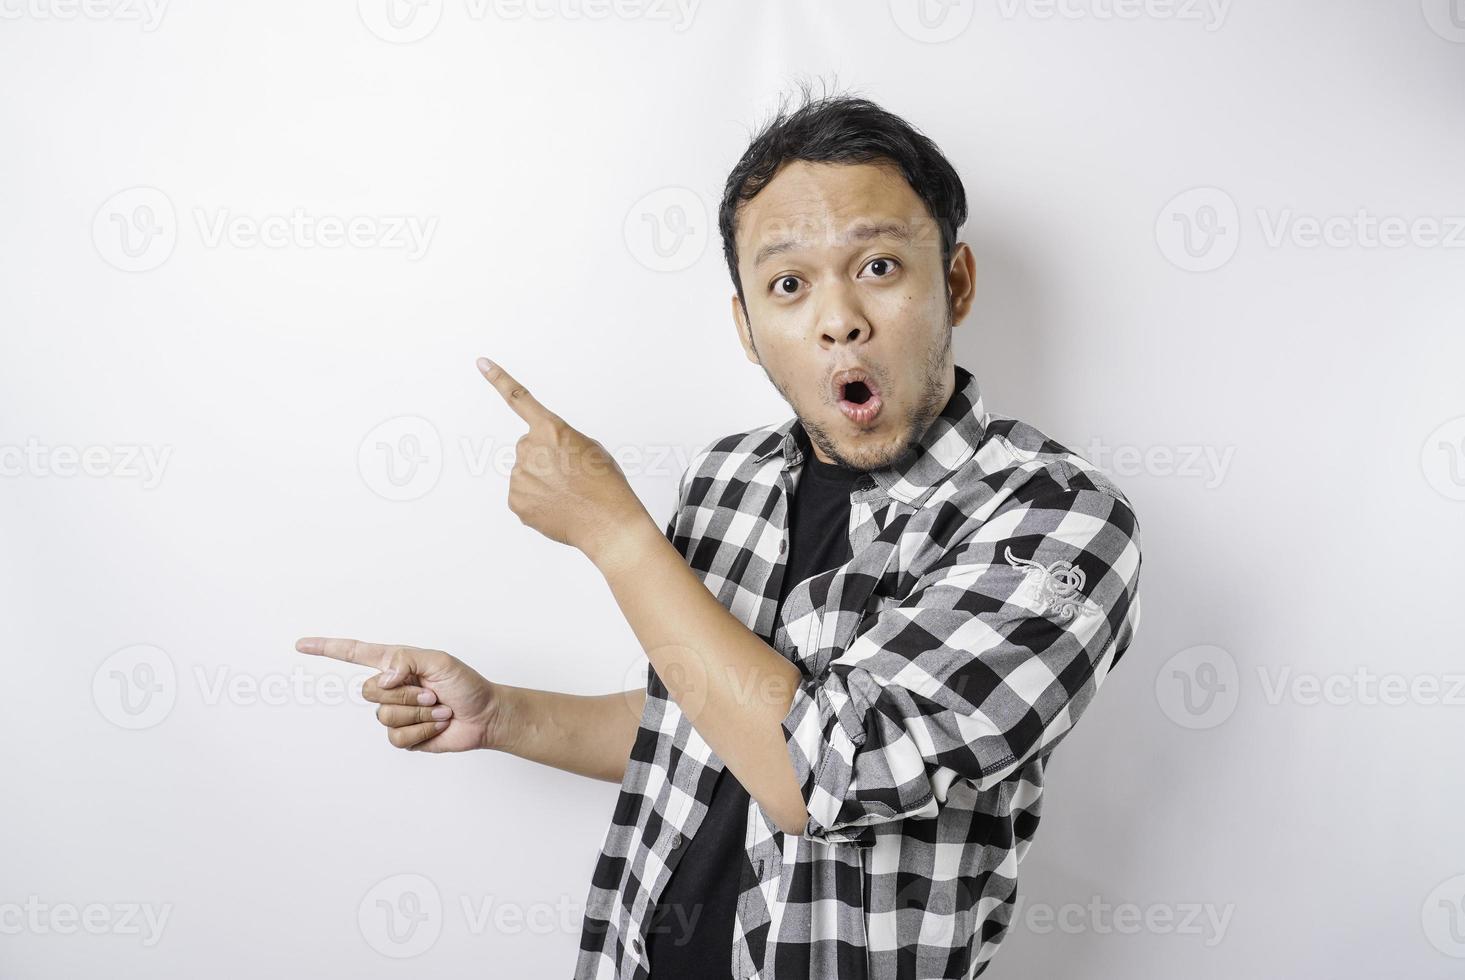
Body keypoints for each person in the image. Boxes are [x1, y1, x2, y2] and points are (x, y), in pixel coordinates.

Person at [296, 87, 1143, 980]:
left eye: (881, 267)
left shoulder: (1056, 521)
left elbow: (819, 775)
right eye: (788, 284)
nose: (838, 318)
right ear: (746, 326)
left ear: (956, 282)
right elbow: (704, 721)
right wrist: (504, 714)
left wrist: (614, 533)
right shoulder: (726, 478)